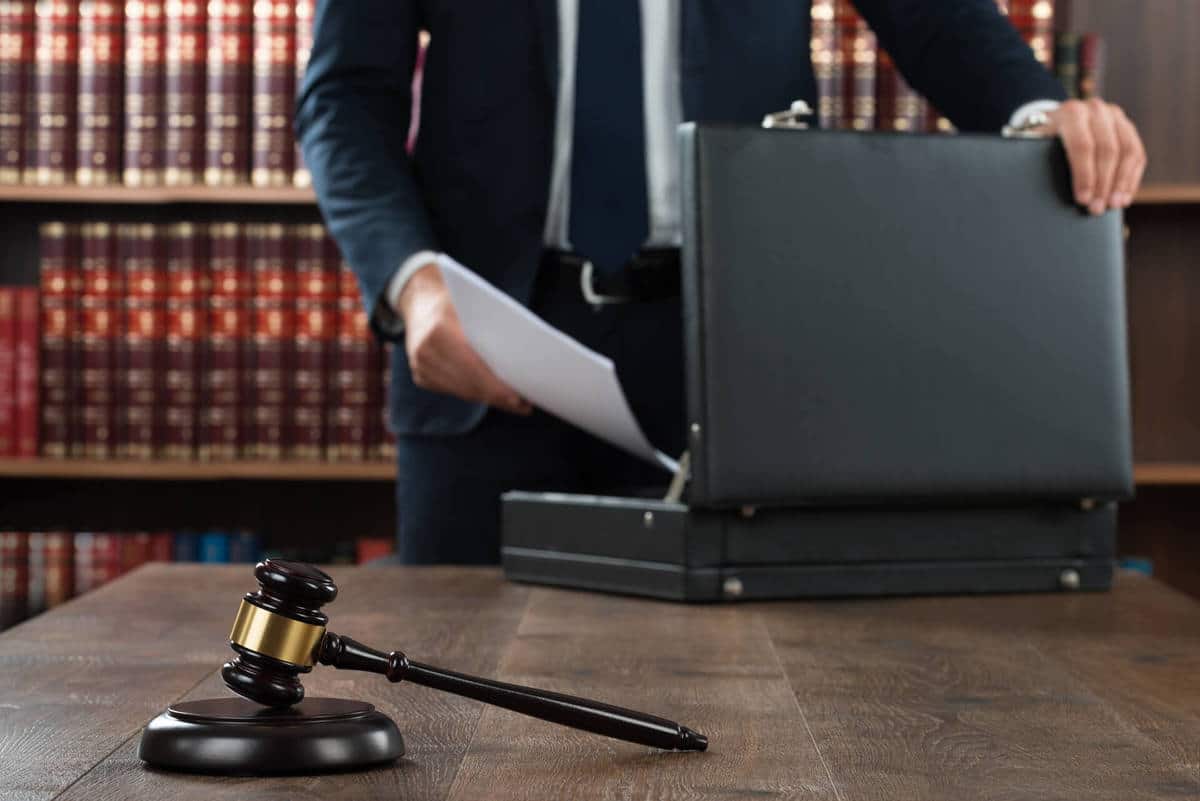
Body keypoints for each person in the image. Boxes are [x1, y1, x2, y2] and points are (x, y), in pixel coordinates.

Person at [297, 1, 1147, 564]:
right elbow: (343, 98)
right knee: (459, 704)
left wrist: (1043, 117)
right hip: (489, 353)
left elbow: (937, 21)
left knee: (747, 707)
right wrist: (414, 287)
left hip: (739, 348)